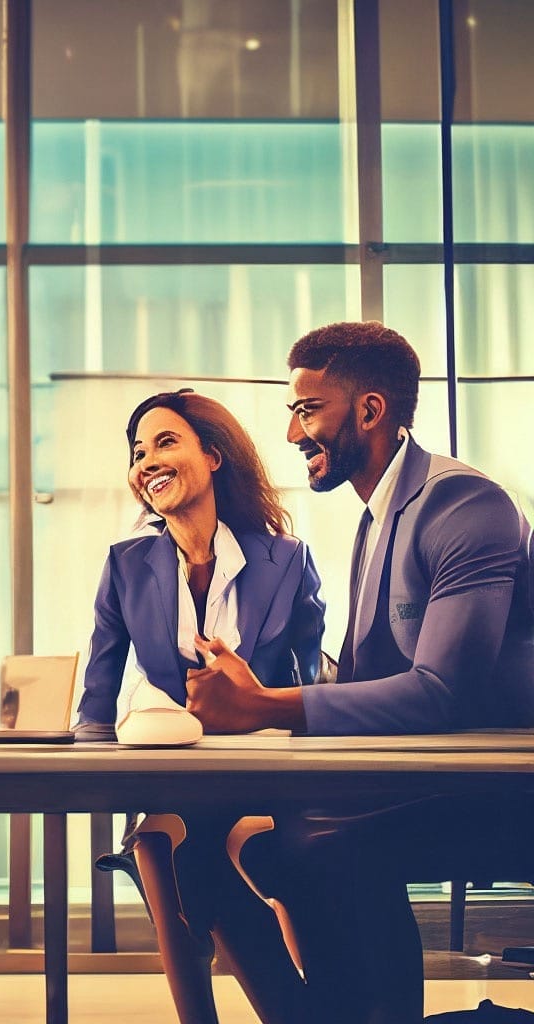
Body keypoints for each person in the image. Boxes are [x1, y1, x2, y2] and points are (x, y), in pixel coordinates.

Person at [186, 321, 534, 1023]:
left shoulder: (464, 505)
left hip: (495, 789)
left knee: (305, 846)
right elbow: (363, 678)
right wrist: (260, 680)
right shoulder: (378, 517)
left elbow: (442, 692)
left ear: (370, 410)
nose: (292, 433)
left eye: (308, 410)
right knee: (200, 840)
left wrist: (266, 705)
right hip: (423, 775)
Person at [76, 389, 326, 1024]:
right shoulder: (127, 564)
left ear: (213, 456)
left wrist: (261, 706)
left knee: (183, 852)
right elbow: (98, 697)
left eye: (165, 442)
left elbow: (314, 691)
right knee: (173, 840)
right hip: (178, 775)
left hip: (265, 779)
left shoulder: (286, 560)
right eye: (138, 452)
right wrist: (88, 772)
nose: (147, 462)